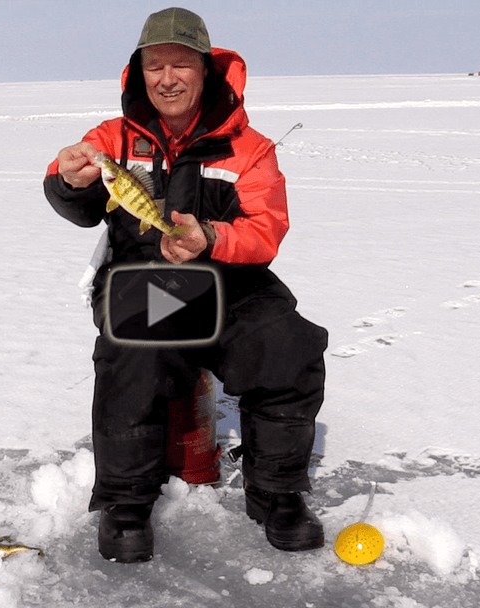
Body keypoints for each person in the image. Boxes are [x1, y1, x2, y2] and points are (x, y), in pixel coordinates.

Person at [43, 7, 328, 563]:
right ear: (138, 74)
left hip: (231, 281)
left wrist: (213, 238)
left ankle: (276, 493)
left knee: (289, 344)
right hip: (143, 279)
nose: (167, 79)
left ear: (206, 70)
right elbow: (78, 206)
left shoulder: (250, 148)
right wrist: (66, 179)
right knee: (135, 349)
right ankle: (125, 502)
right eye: (154, 67)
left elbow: (265, 231)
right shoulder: (112, 139)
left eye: (180, 65)